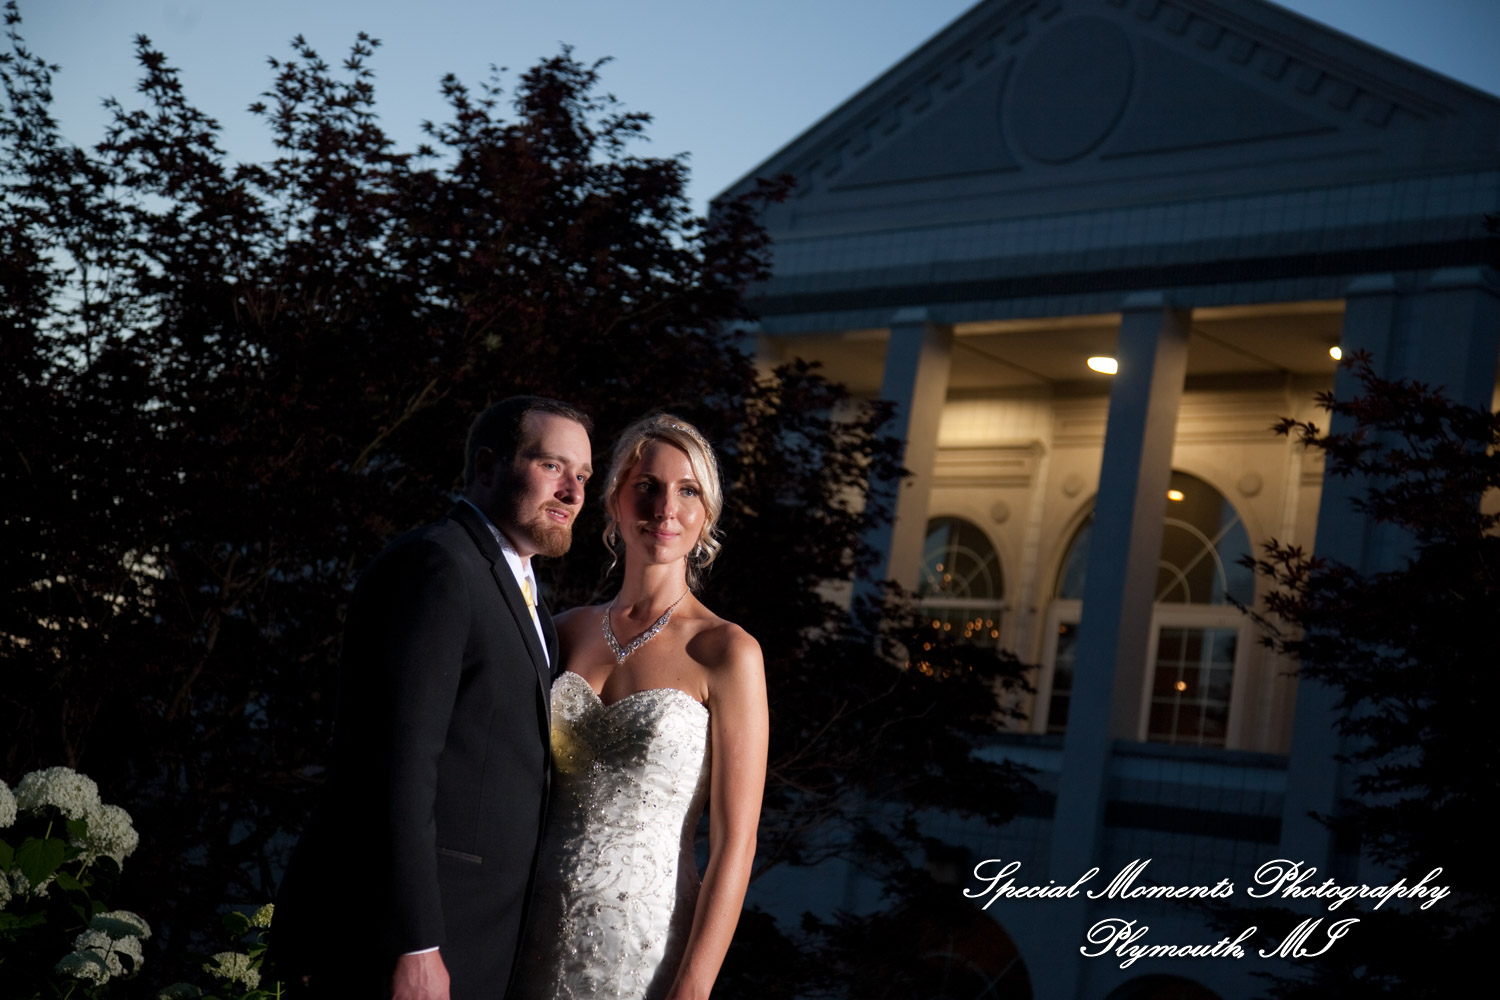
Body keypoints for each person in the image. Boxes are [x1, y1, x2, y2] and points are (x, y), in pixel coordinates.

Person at [275, 396, 593, 1000]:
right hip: (416, 939)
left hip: (486, 936)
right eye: (553, 467)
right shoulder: (437, 565)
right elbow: (394, 764)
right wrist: (414, 943)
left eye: (582, 476)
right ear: (487, 467)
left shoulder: (519, 588)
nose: (573, 493)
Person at [516, 413, 768, 1000]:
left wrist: (694, 986)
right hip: (528, 928)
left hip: (644, 947)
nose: (665, 507)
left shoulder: (726, 652)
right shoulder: (561, 633)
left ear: (707, 514)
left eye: (688, 491)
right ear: (614, 502)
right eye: (646, 486)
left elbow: (736, 841)